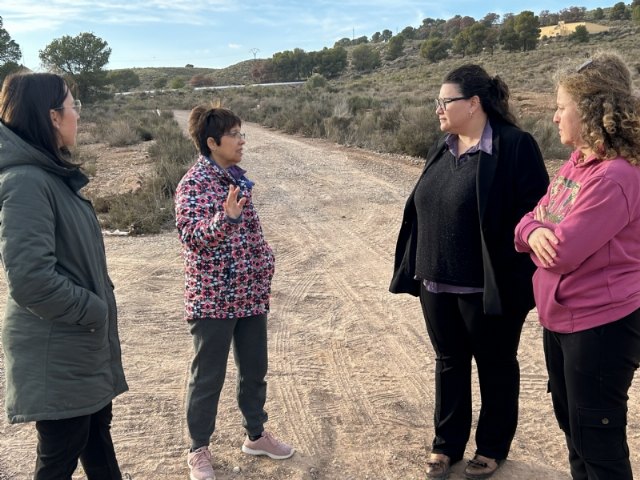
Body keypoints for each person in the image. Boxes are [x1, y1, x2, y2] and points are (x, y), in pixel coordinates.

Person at [390, 64, 549, 479]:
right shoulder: (443, 146)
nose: (438, 108)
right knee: (448, 361)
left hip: (488, 288)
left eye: (445, 101)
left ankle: (492, 446)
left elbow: (538, 214)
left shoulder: (514, 146)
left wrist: (518, 279)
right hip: (435, 281)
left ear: (474, 103)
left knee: (495, 365)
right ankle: (447, 445)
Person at [515, 51, 640, 480]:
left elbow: (564, 251)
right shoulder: (579, 164)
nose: (554, 117)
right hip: (565, 323)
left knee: (598, 443)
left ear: (589, 111)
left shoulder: (615, 176)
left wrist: (537, 230)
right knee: (575, 431)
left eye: (561, 107)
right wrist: (533, 231)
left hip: (599, 328)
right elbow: (531, 219)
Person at [0, 73, 128, 479]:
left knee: (96, 442)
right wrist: (94, 310)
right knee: (58, 460)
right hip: (60, 351)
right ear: (53, 116)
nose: (79, 116)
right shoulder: (26, 182)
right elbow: (31, 279)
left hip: (79, 350)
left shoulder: (48, 175)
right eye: (74, 107)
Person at [175, 105, 294, 480]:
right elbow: (193, 238)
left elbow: (252, 233)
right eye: (235, 134)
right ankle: (198, 449)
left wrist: (265, 261)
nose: (242, 141)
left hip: (249, 293)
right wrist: (223, 220)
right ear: (212, 142)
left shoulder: (237, 179)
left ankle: (256, 435)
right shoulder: (192, 184)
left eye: (243, 133)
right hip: (212, 298)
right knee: (208, 376)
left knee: (254, 369)